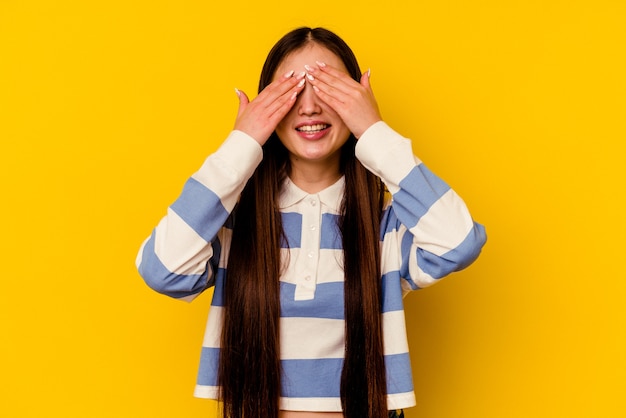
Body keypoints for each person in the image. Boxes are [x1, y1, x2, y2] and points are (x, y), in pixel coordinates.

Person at [136, 27, 486, 418]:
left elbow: (459, 242)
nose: (309, 107)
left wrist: (374, 131)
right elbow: (162, 270)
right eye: (291, 90)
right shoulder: (231, 224)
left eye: (327, 87)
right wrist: (240, 145)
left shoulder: (387, 227)